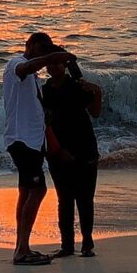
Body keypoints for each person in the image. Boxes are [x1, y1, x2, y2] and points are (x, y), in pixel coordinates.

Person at [3, 32, 74, 266]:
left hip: (32, 142)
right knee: (38, 191)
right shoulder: (18, 64)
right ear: (30, 45)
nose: (44, 54)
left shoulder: (33, 77)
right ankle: (22, 250)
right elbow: (26, 68)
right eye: (42, 49)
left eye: (48, 50)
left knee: (26, 191)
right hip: (22, 140)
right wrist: (55, 55)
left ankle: (21, 246)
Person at [42, 48, 103, 258]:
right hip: (59, 151)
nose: (54, 67)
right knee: (64, 200)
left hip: (85, 147)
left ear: (65, 66)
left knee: (85, 199)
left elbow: (95, 113)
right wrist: (58, 150)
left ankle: (87, 243)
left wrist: (97, 91)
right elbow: (45, 123)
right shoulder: (44, 91)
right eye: (50, 63)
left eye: (58, 63)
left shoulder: (78, 86)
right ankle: (67, 246)